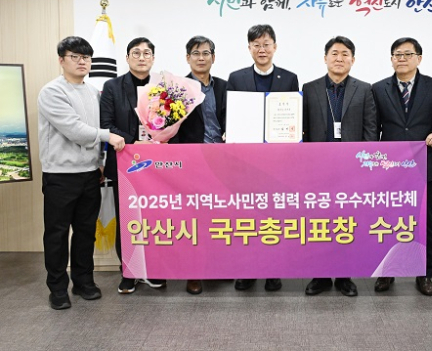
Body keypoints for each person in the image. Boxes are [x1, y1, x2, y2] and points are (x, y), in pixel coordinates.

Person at [38, 36, 125, 310]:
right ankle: (57, 289)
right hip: (60, 175)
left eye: (86, 57)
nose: (81, 62)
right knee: (57, 234)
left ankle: (84, 282)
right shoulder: (52, 92)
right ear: (61, 60)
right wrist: (109, 136)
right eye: (74, 56)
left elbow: (93, 135)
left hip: (90, 174)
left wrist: (99, 161)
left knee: (86, 232)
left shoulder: (93, 93)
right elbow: (74, 129)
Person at [302, 35, 377, 297]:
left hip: (351, 170)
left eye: (345, 54)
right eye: (334, 53)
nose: (339, 58)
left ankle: (345, 276)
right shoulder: (309, 88)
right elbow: (303, 130)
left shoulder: (365, 89)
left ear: (353, 60)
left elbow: (370, 130)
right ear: (325, 58)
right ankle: (320, 275)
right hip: (318, 170)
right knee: (319, 222)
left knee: (347, 222)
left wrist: (364, 167)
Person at [371, 37, 432, 296]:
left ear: (419, 58)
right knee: (387, 222)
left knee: (424, 223)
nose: (401, 58)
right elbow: (373, 127)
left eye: (407, 54)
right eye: (397, 54)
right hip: (389, 169)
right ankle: (387, 272)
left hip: (422, 166)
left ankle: (424, 274)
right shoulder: (378, 88)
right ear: (391, 59)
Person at [227, 24, 297, 292]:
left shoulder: (289, 79)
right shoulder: (236, 78)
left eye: (266, 44)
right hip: (245, 161)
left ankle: (272, 271)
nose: (262, 49)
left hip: (277, 162)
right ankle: (247, 270)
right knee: (246, 217)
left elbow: (294, 115)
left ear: (275, 47)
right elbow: (230, 115)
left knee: (273, 217)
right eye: (256, 45)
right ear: (249, 48)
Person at [100, 37, 166, 294]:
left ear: (153, 58)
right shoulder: (112, 87)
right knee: (127, 220)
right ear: (127, 58)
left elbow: (172, 123)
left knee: (156, 220)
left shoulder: (163, 87)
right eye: (136, 53)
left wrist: (162, 139)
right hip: (124, 163)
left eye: (147, 53)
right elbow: (106, 124)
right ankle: (129, 271)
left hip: (157, 167)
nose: (141, 57)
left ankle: (156, 269)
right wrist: (134, 142)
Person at [173, 35, 227, 295]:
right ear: (188, 58)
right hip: (192, 161)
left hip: (222, 161)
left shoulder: (226, 86)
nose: (201, 58)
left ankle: (216, 268)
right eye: (196, 53)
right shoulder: (177, 88)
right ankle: (193, 273)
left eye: (206, 53)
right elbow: (170, 130)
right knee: (193, 220)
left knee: (219, 217)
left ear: (213, 58)